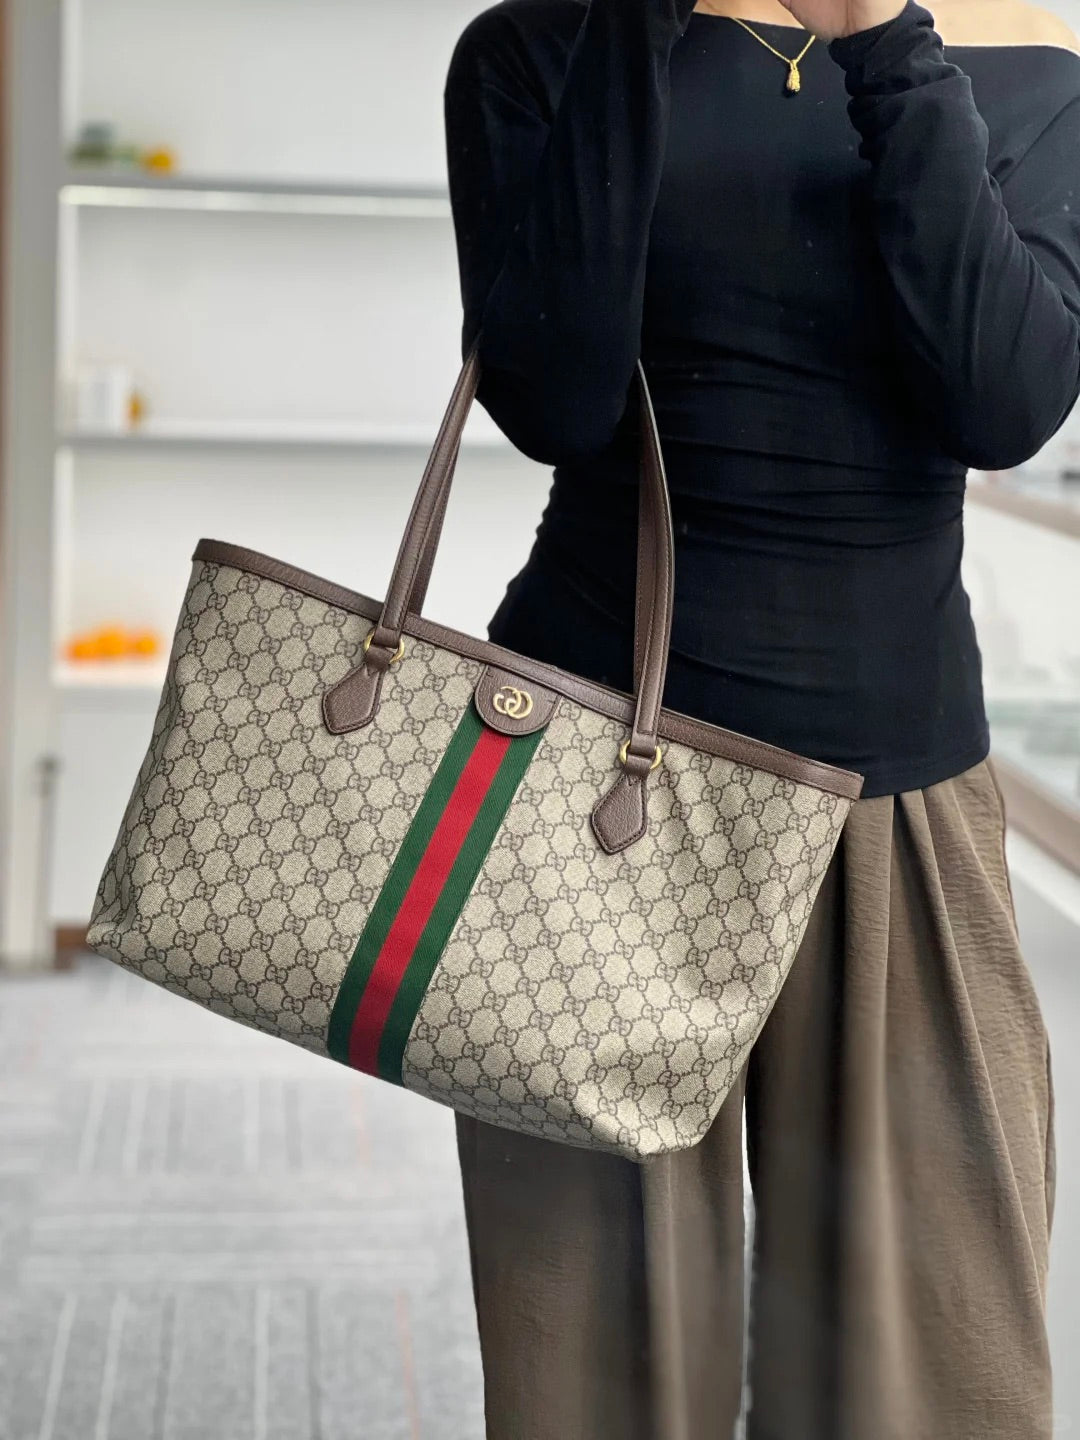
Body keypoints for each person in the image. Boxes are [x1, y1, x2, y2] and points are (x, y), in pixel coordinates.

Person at [442, 0, 1076, 1433]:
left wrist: (884, 44)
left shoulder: (1026, 61)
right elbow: (556, 396)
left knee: (935, 1367)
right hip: (588, 783)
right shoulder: (536, 49)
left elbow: (1005, 399)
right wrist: (632, 32)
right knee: (595, 1373)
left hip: (899, 794)